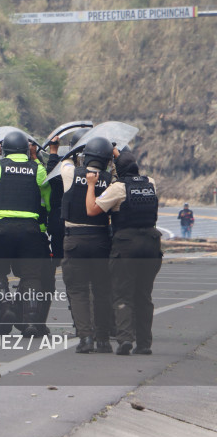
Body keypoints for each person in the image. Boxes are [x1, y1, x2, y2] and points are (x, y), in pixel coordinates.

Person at [85, 148, 162, 355]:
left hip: (127, 245)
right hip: (152, 243)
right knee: (144, 295)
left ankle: (125, 339)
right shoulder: (151, 183)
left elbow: (92, 209)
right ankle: (144, 344)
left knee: (122, 294)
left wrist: (92, 185)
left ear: (118, 171)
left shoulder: (118, 188)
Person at [0, 131, 52, 337]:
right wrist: (35, 158)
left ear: (4, 150)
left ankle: (6, 308)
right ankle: (29, 322)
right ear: (27, 150)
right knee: (31, 276)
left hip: (2, 229)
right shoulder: (37, 169)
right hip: (30, 230)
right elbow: (46, 189)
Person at [55, 137, 114, 353]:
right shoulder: (111, 181)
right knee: (102, 291)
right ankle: (104, 340)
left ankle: (86, 338)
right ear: (107, 160)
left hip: (75, 240)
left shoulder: (71, 174)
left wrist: (75, 150)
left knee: (78, 291)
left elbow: (65, 161)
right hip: (100, 240)